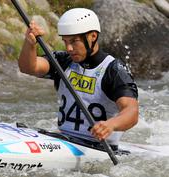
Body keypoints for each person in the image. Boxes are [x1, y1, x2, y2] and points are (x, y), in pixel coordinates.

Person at [18, 8, 139, 147]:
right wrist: (30, 43)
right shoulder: (64, 61)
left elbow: (131, 112)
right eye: (65, 41)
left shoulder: (114, 70)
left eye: (74, 41)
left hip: (97, 147)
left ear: (93, 36)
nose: (69, 48)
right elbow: (28, 67)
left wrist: (111, 124)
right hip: (64, 140)